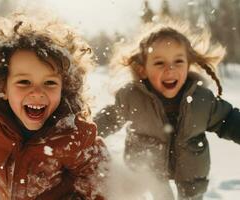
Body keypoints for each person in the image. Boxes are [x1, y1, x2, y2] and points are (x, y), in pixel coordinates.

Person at [0, 12, 109, 200]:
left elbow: (99, 175)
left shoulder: (74, 135)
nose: (37, 92)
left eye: (50, 83)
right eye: (24, 82)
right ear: (3, 86)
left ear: (64, 88)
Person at [94, 20, 240, 200]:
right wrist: (86, 133)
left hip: (191, 170)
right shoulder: (132, 97)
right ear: (143, 70)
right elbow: (109, 118)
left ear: (188, 64)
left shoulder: (202, 100)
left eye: (178, 61)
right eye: (159, 63)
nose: (170, 68)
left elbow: (229, 119)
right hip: (150, 169)